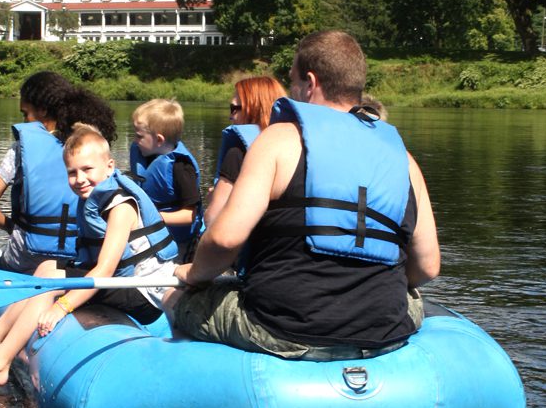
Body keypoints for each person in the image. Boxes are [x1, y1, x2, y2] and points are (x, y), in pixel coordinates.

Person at [163, 30, 440, 361]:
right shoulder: (404, 160)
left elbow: (223, 241)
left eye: (292, 80)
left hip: (281, 329)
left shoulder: (278, 141)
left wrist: (192, 274)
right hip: (384, 333)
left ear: (310, 83)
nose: (292, 89)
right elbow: (427, 267)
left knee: (175, 299)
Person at [0, 124, 178, 388]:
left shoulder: (121, 207)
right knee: (48, 266)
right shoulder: (95, 199)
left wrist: (62, 307)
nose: (79, 178)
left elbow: (103, 272)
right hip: (121, 285)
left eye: (87, 170)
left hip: (144, 294)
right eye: (72, 172)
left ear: (109, 166)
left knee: (54, 276)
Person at [0, 71, 116, 274]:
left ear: (42, 110)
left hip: (24, 258)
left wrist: (14, 228)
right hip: (76, 257)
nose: (24, 119)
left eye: (25, 113)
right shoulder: (93, 146)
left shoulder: (21, 149)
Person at [204, 76, 287, 227]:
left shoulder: (238, 154)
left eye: (234, 109)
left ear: (253, 108)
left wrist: (213, 199)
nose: (230, 116)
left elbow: (212, 218)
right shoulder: (292, 149)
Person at [129, 99, 202, 257]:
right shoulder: (146, 156)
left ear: (159, 140)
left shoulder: (180, 167)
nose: (135, 141)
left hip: (179, 244)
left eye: (139, 136)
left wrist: (151, 217)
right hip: (149, 239)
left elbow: (189, 215)